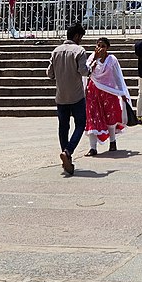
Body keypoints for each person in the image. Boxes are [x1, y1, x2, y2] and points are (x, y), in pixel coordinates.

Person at [48, 23, 92, 175]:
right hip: (77, 95)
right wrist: (91, 67)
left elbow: (50, 74)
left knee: (63, 127)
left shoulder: (56, 51)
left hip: (61, 96)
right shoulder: (79, 51)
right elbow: (83, 71)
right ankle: (68, 152)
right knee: (80, 124)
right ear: (77, 36)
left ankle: (65, 155)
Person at [85, 37, 131, 155]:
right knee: (92, 117)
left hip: (109, 92)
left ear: (107, 48)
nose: (100, 48)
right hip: (93, 91)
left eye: (103, 46)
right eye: (98, 45)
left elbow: (117, 77)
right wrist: (94, 59)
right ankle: (93, 147)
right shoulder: (92, 58)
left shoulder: (112, 60)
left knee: (110, 117)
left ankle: (112, 141)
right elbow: (86, 72)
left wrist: (122, 92)